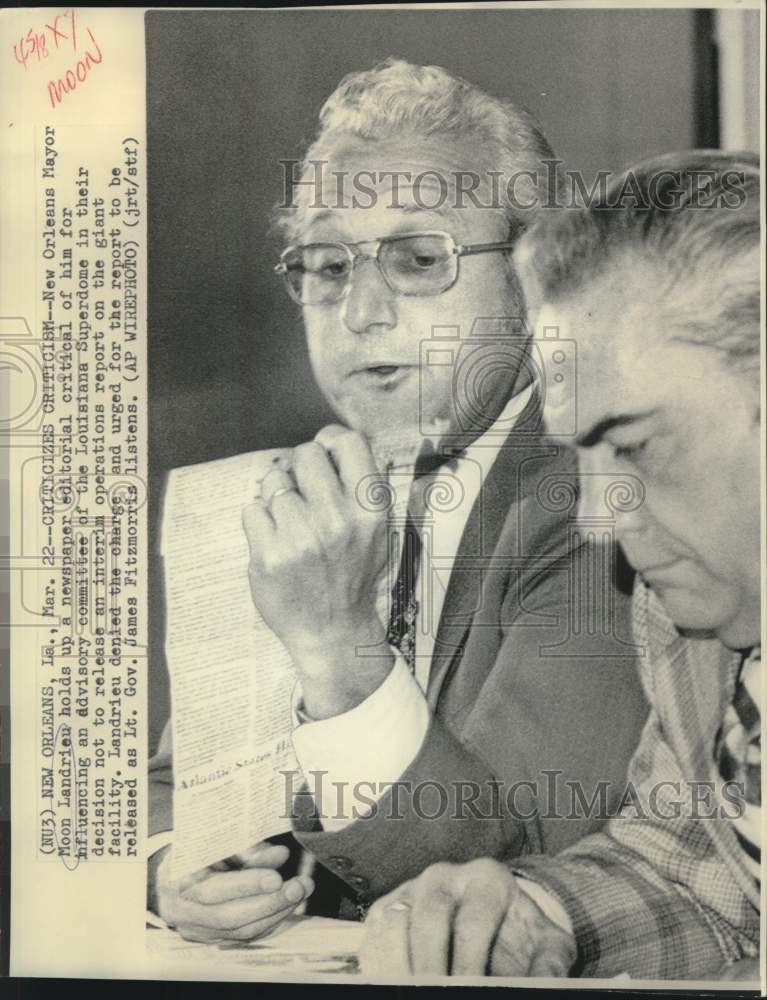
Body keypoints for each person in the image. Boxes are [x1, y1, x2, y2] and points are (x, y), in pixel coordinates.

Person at [147, 58, 648, 943]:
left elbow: (507, 884)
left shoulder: (601, 493)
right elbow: (176, 788)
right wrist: (171, 871)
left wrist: (336, 646)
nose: (359, 311)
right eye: (326, 266)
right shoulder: (301, 496)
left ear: (536, 275)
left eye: (418, 260)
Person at [359, 151, 761, 980]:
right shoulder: (687, 624)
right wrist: (536, 915)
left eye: (633, 445)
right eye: (581, 456)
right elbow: (695, 874)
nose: (595, 520)